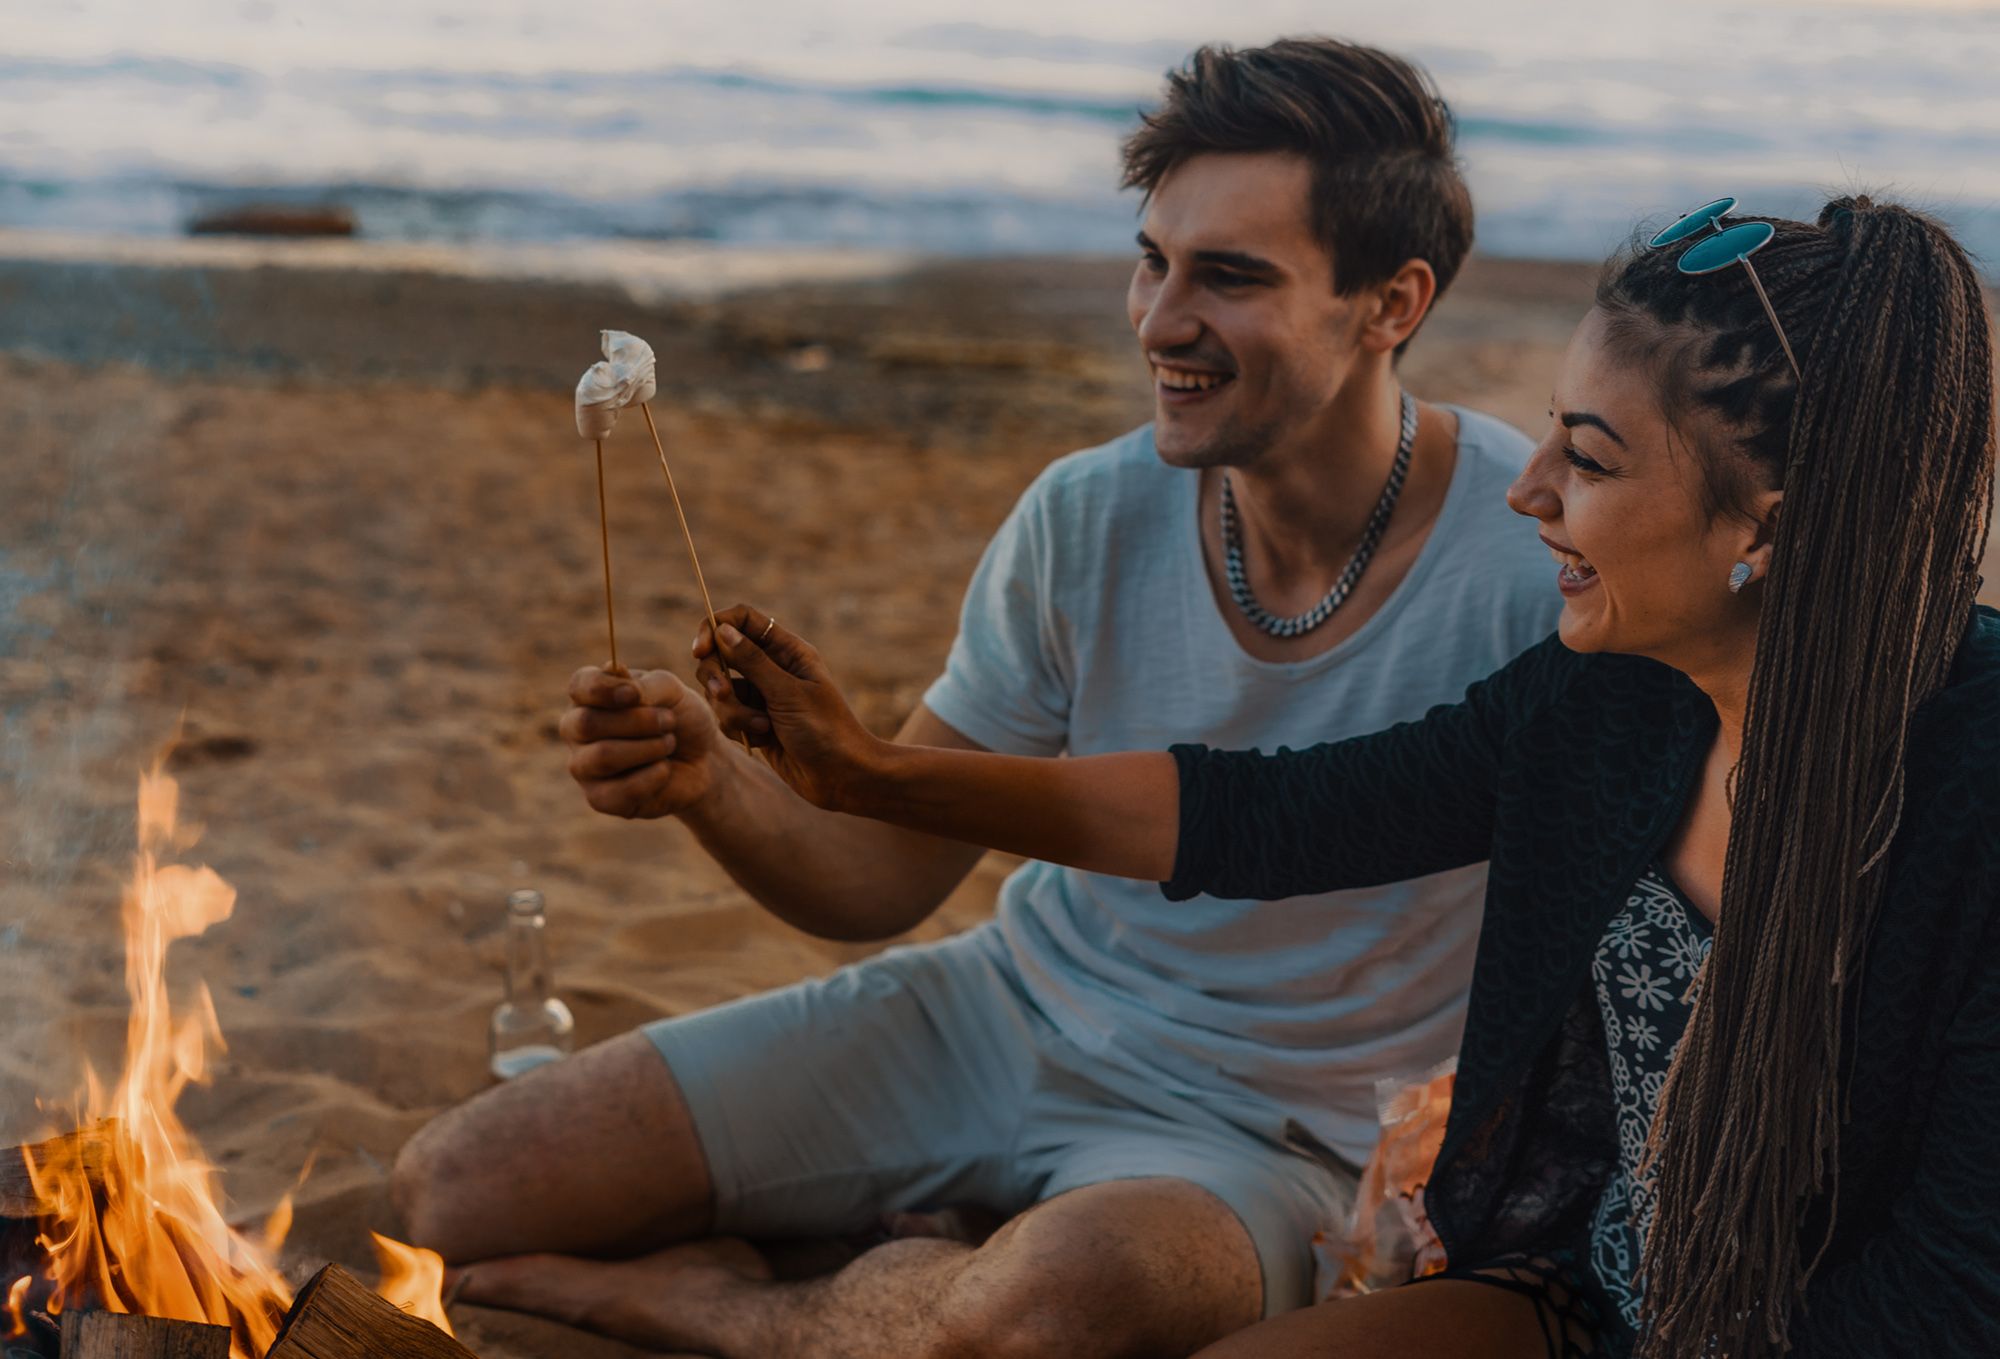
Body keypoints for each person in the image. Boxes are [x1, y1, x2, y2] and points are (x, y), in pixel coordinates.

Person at [390, 36, 1563, 1359]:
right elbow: (878, 883)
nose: (1160, 320)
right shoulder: (1086, 512)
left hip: (1274, 1137)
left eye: (1229, 278)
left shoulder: (1531, 566)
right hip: (1002, 1010)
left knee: (1055, 1306)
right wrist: (711, 779)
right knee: (459, 1188)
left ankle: (735, 1303)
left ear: (1390, 303)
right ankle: (919, 1248)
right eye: (1152, 258)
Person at [678, 195, 2000, 1357]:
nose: (1528, 490)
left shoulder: (1971, 783)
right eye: (1549, 435)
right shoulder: (1615, 697)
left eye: (1588, 460)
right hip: (1585, 1294)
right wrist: (868, 777)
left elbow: (1950, 1298)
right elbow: (1284, 812)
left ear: (1764, 527)